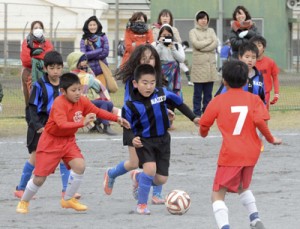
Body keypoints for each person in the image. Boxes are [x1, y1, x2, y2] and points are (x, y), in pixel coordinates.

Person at [16, 72, 130, 214]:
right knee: (39, 179)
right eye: (73, 90)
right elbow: (62, 124)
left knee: (80, 165)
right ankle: (24, 202)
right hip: (50, 142)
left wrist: (117, 119)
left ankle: (68, 199)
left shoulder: (82, 101)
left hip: (68, 141)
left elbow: (98, 111)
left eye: (79, 89)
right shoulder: (59, 103)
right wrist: (82, 122)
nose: (77, 93)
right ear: (63, 91)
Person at [199, 60, 282, 229]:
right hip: (252, 153)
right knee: (242, 186)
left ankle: (225, 227)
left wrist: (204, 133)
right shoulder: (254, 100)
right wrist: (271, 138)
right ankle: (255, 219)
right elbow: (260, 120)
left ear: (224, 81)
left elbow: (204, 125)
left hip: (231, 154)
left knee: (217, 194)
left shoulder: (218, 101)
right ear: (246, 81)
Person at [122, 64, 199, 215]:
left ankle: (139, 177)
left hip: (163, 140)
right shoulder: (130, 105)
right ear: (135, 84)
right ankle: (141, 205)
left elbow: (180, 104)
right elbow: (126, 127)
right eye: (144, 83)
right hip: (144, 141)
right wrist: (132, 140)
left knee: (161, 179)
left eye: (152, 82)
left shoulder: (162, 93)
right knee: (150, 169)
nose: (149, 86)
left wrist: (193, 117)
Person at [104, 44, 167, 205]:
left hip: (155, 129)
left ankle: (156, 193)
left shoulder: (157, 79)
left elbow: (161, 101)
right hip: (135, 127)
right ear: (137, 61)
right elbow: (128, 104)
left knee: (156, 160)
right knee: (133, 163)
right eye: (144, 58)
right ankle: (112, 174)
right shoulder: (133, 81)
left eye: (151, 58)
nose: (148, 61)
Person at [14, 51, 81, 199]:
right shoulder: (39, 85)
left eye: (58, 68)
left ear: (62, 68)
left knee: (64, 157)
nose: (55, 71)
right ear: (45, 69)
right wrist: (38, 126)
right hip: (41, 126)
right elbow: (31, 107)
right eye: (52, 68)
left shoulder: (65, 85)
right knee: (35, 158)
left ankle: (66, 191)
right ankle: (21, 188)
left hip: (58, 126)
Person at [67, 51, 118, 135]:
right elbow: (91, 83)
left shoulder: (88, 72)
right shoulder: (73, 75)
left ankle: (97, 123)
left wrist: (89, 78)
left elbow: (98, 86)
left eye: (85, 60)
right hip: (82, 101)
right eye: (82, 60)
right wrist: (89, 78)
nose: (85, 62)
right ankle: (106, 125)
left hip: (92, 98)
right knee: (103, 104)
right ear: (76, 62)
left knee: (109, 105)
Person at [20, 20, 53, 123]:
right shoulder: (26, 42)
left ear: (42, 29)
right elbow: (26, 60)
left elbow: (49, 56)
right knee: (30, 97)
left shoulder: (47, 43)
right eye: (35, 28)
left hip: (45, 73)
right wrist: (41, 57)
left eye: (39, 27)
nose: (37, 30)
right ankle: (31, 120)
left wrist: (34, 54)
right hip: (29, 73)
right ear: (31, 30)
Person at [189, 10, 219, 117]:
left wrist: (203, 47)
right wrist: (208, 42)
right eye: (201, 18)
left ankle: (207, 112)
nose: (203, 20)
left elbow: (215, 43)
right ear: (197, 20)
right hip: (199, 67)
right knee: (197, 94)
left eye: (205, 18)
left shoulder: (211, 30)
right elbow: (196, 44)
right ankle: (196, 113)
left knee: (208, 94)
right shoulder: (193, 31)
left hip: (210, 66)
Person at [249, 35, 280, 110]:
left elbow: (275, 78)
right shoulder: (248, 62)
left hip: (265, 94)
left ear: (264, 48)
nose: (257, 48)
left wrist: (276, 93)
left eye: (259, 46)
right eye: (254, 45)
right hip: (250, 93)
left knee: (264, 116)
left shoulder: (270, 62)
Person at [154, 24, 185, 97]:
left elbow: (181, 59)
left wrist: (172, 48)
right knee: (160, 95)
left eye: (168, 34)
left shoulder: (177, 45)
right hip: (160, 76)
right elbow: (154, 57)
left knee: (172, 97)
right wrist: (160, 44)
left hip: (173, 77)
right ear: (159, 35)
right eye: (164, 35)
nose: (166, 36)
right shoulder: (156, 45)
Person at [80, 16, 110, 88]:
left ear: (98, 25)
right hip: (89, 71)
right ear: (87, 27)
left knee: (103, 91)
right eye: (90, 25)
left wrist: (91, 56)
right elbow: (84, 55)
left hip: (102, 70)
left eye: (94, 25)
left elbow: (105, 52)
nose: (92, 27)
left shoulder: (103, 37)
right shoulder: (84, 39)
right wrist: (99, 50)